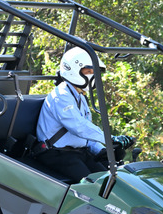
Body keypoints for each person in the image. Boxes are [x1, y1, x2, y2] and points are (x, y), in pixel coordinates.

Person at [33, 47, 135, 182]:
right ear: (73, 71)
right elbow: (79, 127)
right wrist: (109, 139)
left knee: (111, 178)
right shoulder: (62, 96)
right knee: (91, 186)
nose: (92, 76)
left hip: (77, 153)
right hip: (57, 154)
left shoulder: (80, 96)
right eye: (88, 71)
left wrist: (101, 150)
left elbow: (87, 135)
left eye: (93, 72)